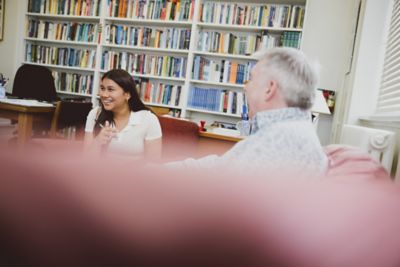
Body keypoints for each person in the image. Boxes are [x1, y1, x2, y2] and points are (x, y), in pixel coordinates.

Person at [168, 47, 328, 173]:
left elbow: (215, 181)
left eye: (251, 79)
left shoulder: (279, 140)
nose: (245, 87)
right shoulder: (292, 131)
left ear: (269, 88)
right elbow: (219, 167)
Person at [84, 69, 162, 159]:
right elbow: (86, 160)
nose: (104, 94)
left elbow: (154, 164)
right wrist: (97, 142)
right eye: (102, 88)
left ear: (127, 94)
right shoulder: (95, 114)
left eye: (110, 89)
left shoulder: (149, 119)